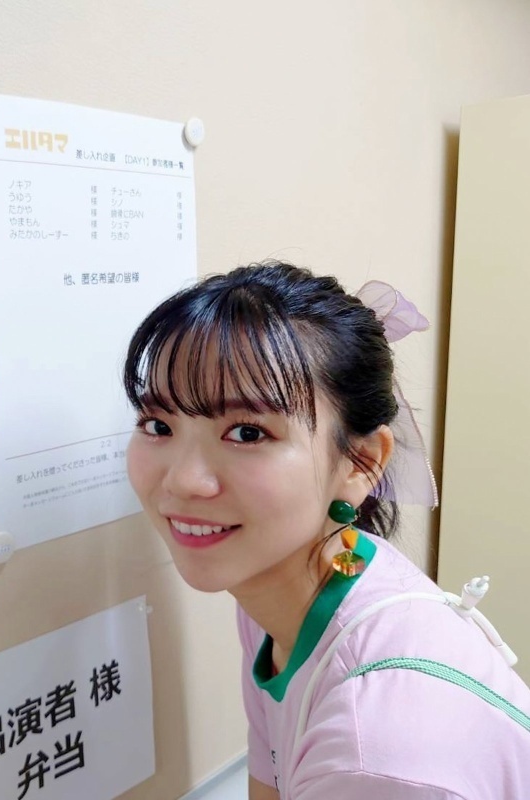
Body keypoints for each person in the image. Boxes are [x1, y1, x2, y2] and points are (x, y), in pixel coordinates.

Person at [122, 261, 530, 799]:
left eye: (247, 433)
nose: (183, 480)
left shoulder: (375, 757)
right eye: (158, 425)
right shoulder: (300, 583)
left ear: (361, 462)